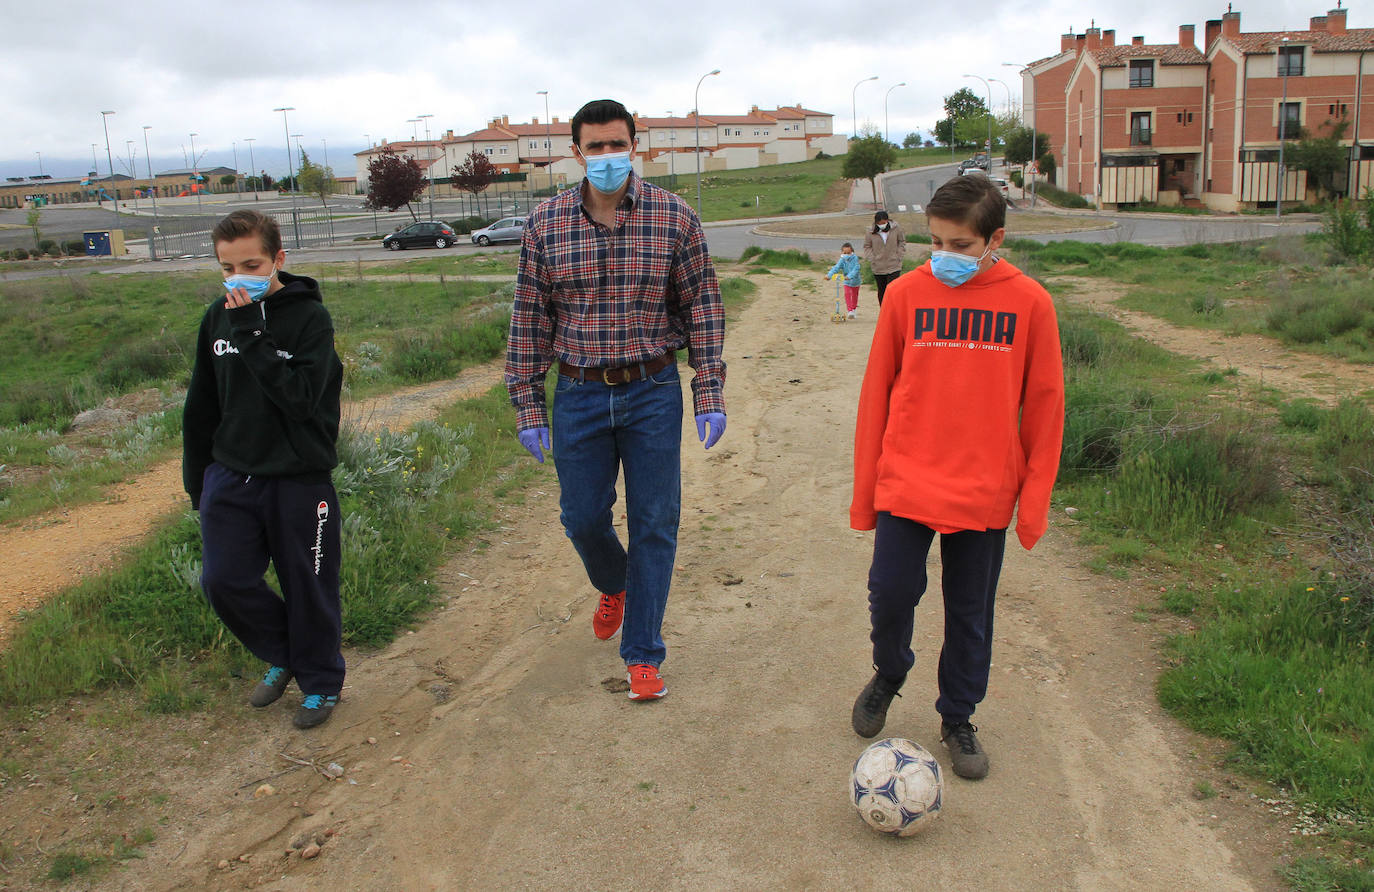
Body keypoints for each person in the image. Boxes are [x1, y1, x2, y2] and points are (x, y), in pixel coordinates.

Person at [504, 99, 727, 702]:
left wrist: (708, 389)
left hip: (652, 390)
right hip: (577, 393)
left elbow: (702, 306)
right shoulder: (546, 223)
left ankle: (643, 652)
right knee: (581, 517)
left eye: (616, 144)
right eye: (595, 147)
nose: (607, 156)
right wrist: (527, 404)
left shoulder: (674, 218)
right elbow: (530, 320)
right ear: (576, 152)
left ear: (636, 145)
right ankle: (614, 582)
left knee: (656, 522)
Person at [849, 175, 1063, 779]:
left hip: (984, 488)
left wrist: (1034, 503)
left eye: (961, 246)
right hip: (908, 477)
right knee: (890, 593)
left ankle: (957, 716)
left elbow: (1046, 407)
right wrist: (866, 493)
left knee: (970, 610)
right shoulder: (906, 296)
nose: (945, 257)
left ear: (995, 239)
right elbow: (876, 397)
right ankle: (890, 672)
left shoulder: (1030, 303)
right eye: (936, 243)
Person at [183, 209, 346, 730]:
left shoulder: (309, 319)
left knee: (310, 587)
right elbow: (202, 405)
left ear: (278, 258)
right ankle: (286, 654)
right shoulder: (217, 316)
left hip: (299, 478)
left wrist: (253, 334)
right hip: (231, 477)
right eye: (226, 267)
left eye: (250, 264)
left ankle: (321, 682)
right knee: (224, 581)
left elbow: (300, 401)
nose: (237, 277)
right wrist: (199, 483)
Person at [862, 210, 906, 306]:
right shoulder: (870, 231)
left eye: (884, 223)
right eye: (879, 223)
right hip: (878, 266)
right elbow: (867, 246)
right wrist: (872, 258)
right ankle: (884, 312)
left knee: (893, 290)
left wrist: (899, 255)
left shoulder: (896, 228)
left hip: (894, 265)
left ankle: (894, 312)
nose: (882, 225)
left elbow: (901, 242)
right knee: (882, 290)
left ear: (887, 220)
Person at [826, 242, 862, 319]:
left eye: (848, 253)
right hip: (847, 281)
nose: (846, 254)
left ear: (852, 252)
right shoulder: (842, 259)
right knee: (847, 294)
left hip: (855, 281)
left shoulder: (855, 259)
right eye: (844, 253)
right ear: (842, 252)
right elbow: (836, 267)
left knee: (855, 296)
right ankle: (850, 311)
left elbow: (856, 269)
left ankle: (854, 309)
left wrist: (849, 276)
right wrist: (829, 275)